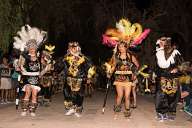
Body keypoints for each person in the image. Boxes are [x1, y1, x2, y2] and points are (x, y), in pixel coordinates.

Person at [13, 25, 48, 116]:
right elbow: (19, 65)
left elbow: (45, 65)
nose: (32, 49)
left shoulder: (39, 56)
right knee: (28, 92)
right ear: (28, 48)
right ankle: (24, 109)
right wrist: (18, 66)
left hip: (36, 78)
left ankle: (32, 110)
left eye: (34, 47)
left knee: (34, 94)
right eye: (31, 48)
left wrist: (45, 68)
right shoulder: (25, 56)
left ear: (36, 48)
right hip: (27, 77)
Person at [62, 41, 95, 117]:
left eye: (74, 48)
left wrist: (89, 76)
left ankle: (78, 109)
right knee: (67, 93)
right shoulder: (66, 58)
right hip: (69, 78)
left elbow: (90, 67)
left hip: (80, 78)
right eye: (71, 48)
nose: (73, 49)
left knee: (79, 95)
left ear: (78, 48)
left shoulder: (83, 58)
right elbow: (60, 66)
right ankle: (71, 108)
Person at [107, 42, 139, 118]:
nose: (120, 48)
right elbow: (113, 67)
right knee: (120, 96)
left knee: (127, 96)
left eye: (122, 47)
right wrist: (109, 73)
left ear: (126, 47)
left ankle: (127, 112)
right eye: (119, 47)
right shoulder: (116, 56)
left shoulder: (131, 56)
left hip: (128, 79)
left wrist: (134, 74)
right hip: (118, 79)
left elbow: (137, 65)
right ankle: (117, 110)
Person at [155, 37, 183, 122]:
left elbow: (182, 64)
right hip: (162, 76)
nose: (161, 43)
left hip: (172, 76)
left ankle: (171, 112)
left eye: (163, 41)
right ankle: (161, 113)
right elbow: (155, 65)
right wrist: (153, 73)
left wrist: (177, 69)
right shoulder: (158, 53)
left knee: (172, 95)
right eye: (160, 42)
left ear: (167, 42)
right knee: (160, 95)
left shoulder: (175, 52)